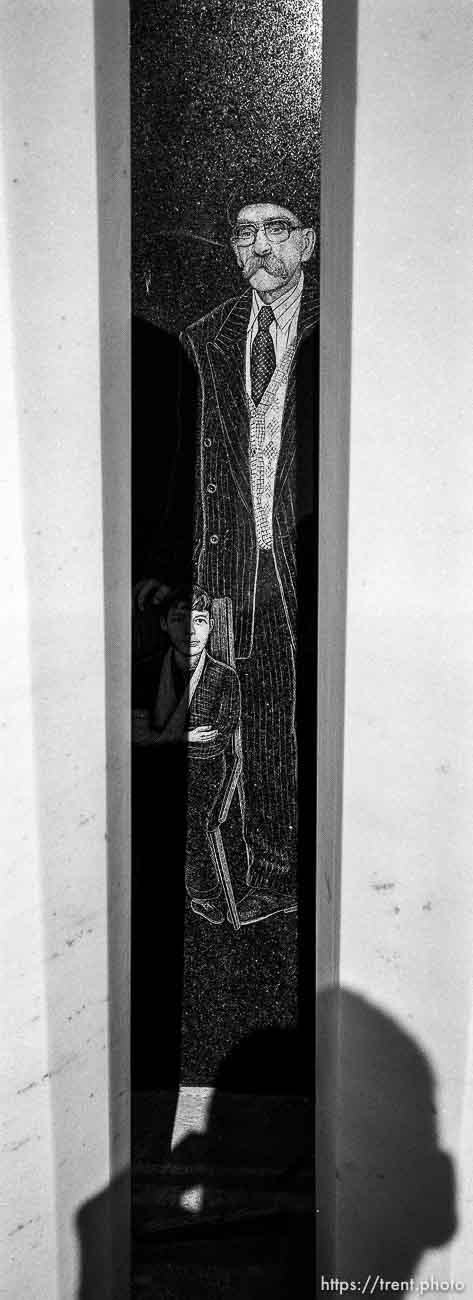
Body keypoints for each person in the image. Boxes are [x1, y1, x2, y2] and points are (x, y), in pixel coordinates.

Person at [136, 188, 319, 926]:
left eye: (277, 230)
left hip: (304, 559)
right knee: (213, 720)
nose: (260, 247)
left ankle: (279, 870)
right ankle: (219, 873)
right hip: (228, 561)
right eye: (244, 234)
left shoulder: (340, 327)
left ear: (308, 242)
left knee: (285, 719)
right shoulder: (206, 333)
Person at [132, 583, 243, 924]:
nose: (190, 631)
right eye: (180, 619)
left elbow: (217, 738)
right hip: (153, 763)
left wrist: (166, 738)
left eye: (200, 620)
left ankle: (203, 893)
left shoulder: (223, 677)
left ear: (211, 625)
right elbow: (136, 736)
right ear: (165, 624)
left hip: (206, 771)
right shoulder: (147, 670)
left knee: (188, 816)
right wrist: (184, 737)